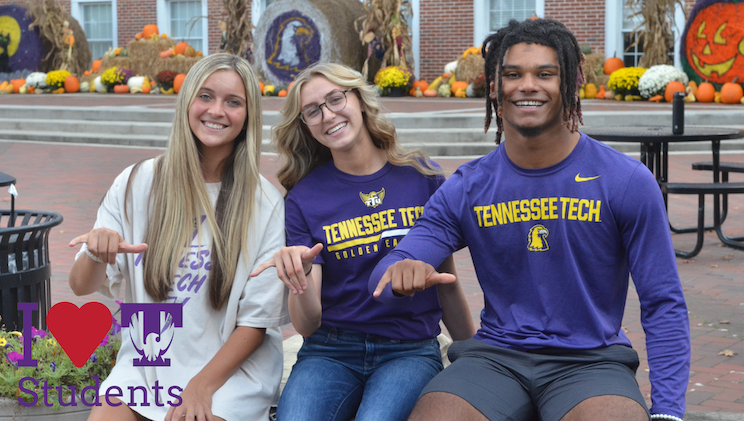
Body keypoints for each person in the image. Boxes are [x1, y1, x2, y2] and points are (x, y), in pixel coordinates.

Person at [370, 18, 690, 421]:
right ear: (493, 87)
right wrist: (401, 270)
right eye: (512, 74)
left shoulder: (624, 181)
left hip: (590, 360)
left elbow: (664, 303)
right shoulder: (469, 186)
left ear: (569, 85)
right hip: (496, 358)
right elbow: (384, 272)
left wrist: (669, 412)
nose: (527, 85)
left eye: (545, 74)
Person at [68, 53, 289, 421]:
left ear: (248, 116)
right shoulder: (137, 182)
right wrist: (96, 252)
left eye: (233, 102)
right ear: (187, 101)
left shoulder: (263, 202)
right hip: (147, 362)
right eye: (205, 96)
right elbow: (79, 286)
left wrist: (200, 388)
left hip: (228, 374)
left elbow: (256, 322)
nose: (216, 110)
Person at [250, 62, 475, 421]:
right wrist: (300, 277)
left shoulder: (423, 176)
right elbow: (307, 324)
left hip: (409, 349)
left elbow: (446, 281)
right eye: (313, 111)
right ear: (306, 126)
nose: (327, 115)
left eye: (335, 99)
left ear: (359, 100)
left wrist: (471, 356)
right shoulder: (304, 198)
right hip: (330, 350)